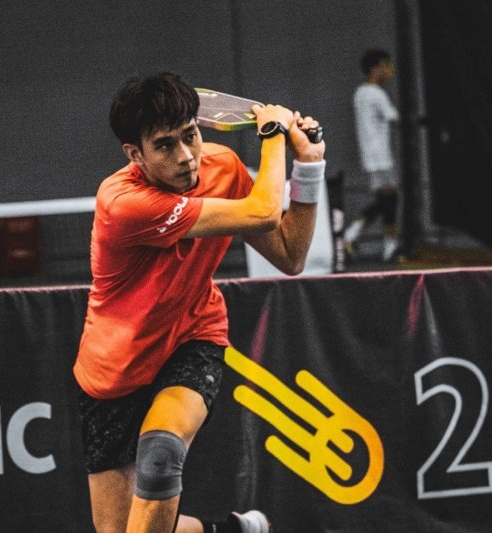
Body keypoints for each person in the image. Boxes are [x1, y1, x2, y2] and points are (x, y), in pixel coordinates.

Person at [72, 72, 325, 533]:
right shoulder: (124, 203)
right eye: (165, 145)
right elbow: (262, 210)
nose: (186, 156)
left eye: (191, 135)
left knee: (162, 456)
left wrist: (307, 167)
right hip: (112, 373)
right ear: (135, 154)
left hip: (192, 339)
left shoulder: (222, 168)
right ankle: (229, 530)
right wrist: (272, 136)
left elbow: (289, 255)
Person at [345, 48, 401, 263]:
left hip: (370, 154)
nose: (389, 71)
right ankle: (354, 234)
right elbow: (394, 118)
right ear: (375, 67)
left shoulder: (359, 93)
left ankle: (387, 244)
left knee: (387, 198)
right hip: (381, 155)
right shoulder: (376, 93)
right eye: (386, 66)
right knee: (389, 199)